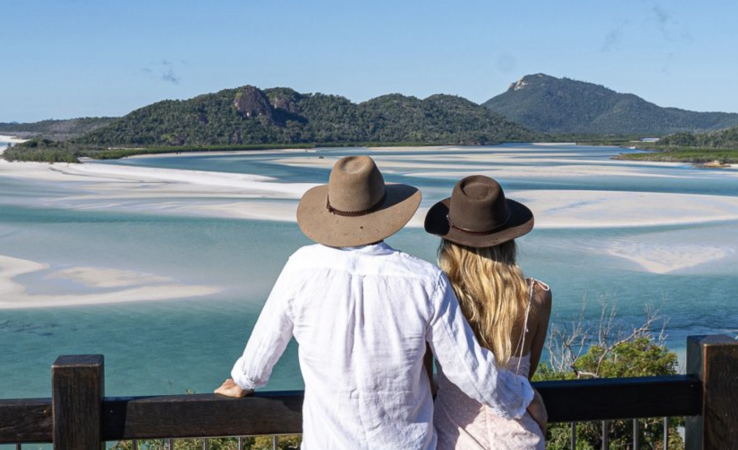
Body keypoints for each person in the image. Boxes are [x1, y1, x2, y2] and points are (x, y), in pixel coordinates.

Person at [214, 156, 545, 449]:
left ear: (331, 212)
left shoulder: (301, 268)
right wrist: (522, 399)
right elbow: (469, 371)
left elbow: (261, 353)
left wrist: (242, 381)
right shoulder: (424, 280)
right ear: (386, 211)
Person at [424, 175, 552, 449]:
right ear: (509, 239)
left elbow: (424, 381)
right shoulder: (536, 297)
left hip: (456, 439)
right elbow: (523, 379)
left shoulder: (438, 297)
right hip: (521, 439)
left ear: (450, 243)